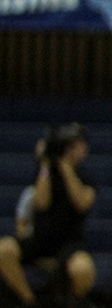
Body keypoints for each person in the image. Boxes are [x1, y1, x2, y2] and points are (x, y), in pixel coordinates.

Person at [0, 123, 97, 307]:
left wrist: (65, 166)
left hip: (71, 242)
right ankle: (29, 300)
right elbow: (41, 203)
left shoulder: (86, 176)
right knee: (3, 250)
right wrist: (45, 162)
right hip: (41, 238)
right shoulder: (44, 173)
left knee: (83, 270)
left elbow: (81, 203)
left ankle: (72, 301)